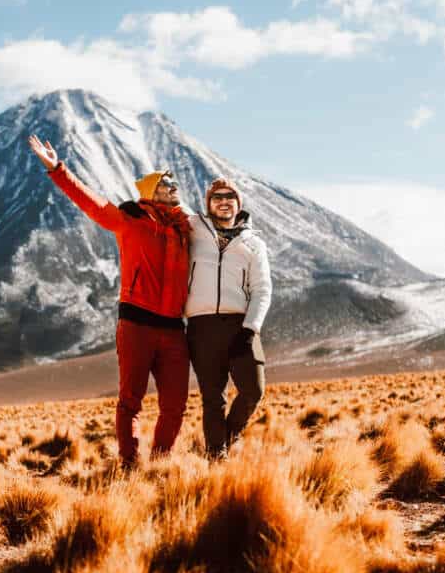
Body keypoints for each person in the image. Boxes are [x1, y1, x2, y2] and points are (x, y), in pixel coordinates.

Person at [28, 134, 191, 466]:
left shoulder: (184, 229)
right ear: (151, 191)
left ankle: (160, 464)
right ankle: (130, 464)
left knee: (175, 404)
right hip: (136, 325)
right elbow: (91, 203)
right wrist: (58, 169)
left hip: (174, 329)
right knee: (130, 401)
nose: (175, 187)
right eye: (167, 183)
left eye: (174, 183)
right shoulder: (128, 221)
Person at [185, 176, 272, 458]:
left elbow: (262, 289)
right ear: (208, 204)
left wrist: (250, 329)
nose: (223, 202)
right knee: (213, 399)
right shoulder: (192, 227)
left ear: (238, 204)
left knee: (253, 391)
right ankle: (216, 456)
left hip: (241, 326)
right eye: (217, 197)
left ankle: (224, 439)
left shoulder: (254, 243)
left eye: (229, 197)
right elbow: (163, 207)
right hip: (202, 326)